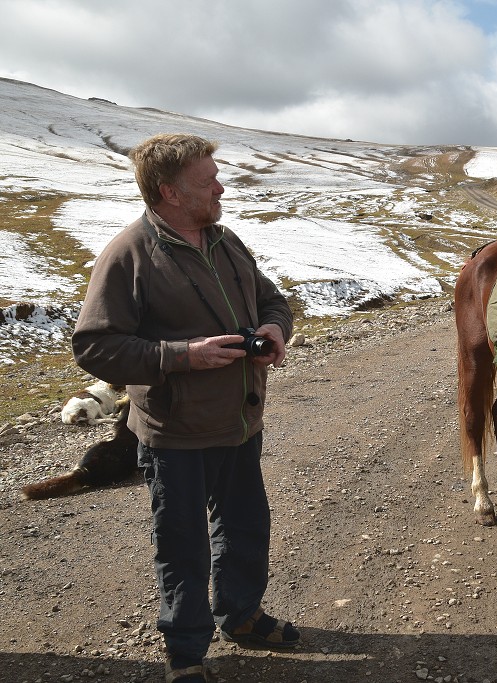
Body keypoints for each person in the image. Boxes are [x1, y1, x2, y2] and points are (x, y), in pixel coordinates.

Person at [72, 134, 298, 682]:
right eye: (208, 180)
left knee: (245, 527)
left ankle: (241, 616)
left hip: (240, 422)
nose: (221, 188)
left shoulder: (224, 240)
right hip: (174, 434)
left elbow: (272, 299)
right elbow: (95, 346)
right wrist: (182, 356)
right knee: (182, 545)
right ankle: (186, 652)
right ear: (170, 192)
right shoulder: (129, 254)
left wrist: (274, 327)